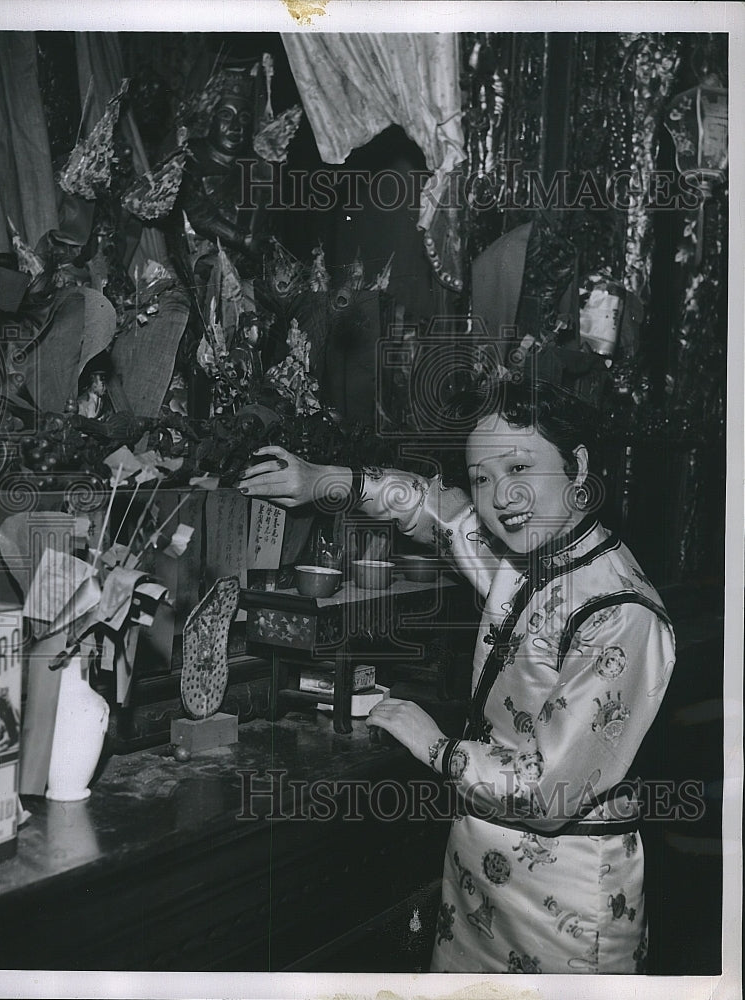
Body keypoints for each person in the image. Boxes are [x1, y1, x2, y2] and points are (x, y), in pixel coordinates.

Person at [236, 376, 675, 974]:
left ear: (578, 467)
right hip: (478, 878)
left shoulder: (619, 614)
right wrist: (320, 480)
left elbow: (549, 792)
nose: (502, 498)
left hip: (566, 902)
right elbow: (435, 510)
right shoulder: (531, 555)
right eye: (483, 478)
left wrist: (435, 745)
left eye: (521, 467)